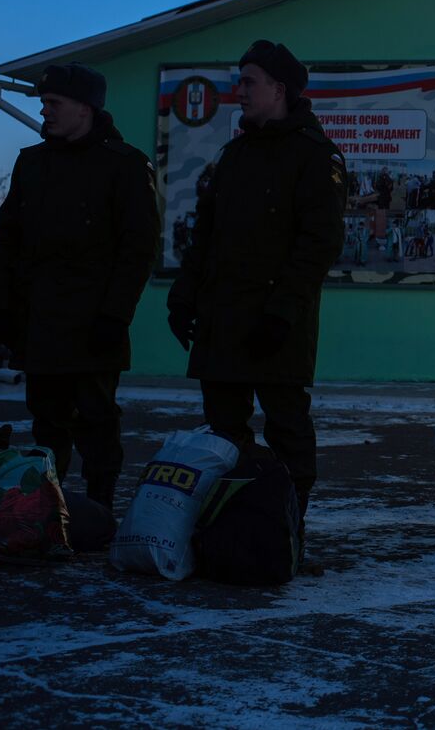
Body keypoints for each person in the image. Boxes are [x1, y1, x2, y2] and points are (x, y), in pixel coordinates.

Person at [167, 40, 345, 567]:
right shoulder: (234, 155)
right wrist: (183, 297)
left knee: (287, 429)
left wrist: (281, 313)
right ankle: (232, 528)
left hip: (276, 324)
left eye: (248, 82)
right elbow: (205, 237)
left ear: (279, 89)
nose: (237, 91)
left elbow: (318, 247)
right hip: (222, 320)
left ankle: (288, 530)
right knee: (223, 433)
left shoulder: (316, 156)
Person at [0, 63, 159, 511]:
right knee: (47, 422)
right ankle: (50, 511)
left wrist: (114, 315)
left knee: (97, 420)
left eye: (54, 104)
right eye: (44, 104)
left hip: (94, 323)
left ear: (84, 109)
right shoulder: (33, 162)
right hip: (41, 320)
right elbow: (8, 244)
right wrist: (3, 310)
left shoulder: (124, 165)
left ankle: (101, 506)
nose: (45, 112)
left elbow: (138, 250)